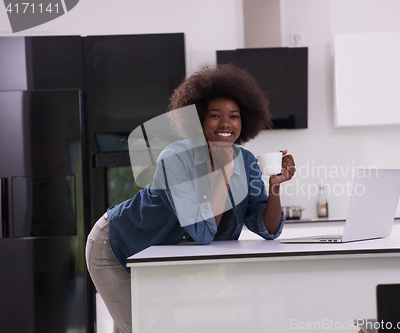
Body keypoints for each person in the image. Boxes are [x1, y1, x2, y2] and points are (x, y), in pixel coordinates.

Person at [85, 64, 296, 333]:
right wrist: (224, 172)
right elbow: (203, 233)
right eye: (215, 115)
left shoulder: (247, 162)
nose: (226, 123)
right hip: (117, 245)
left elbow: (267, 229)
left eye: (234, 116)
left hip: (155, 256)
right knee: (142, 328)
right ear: (199, 120)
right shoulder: (176, 159)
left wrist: (275, 187)